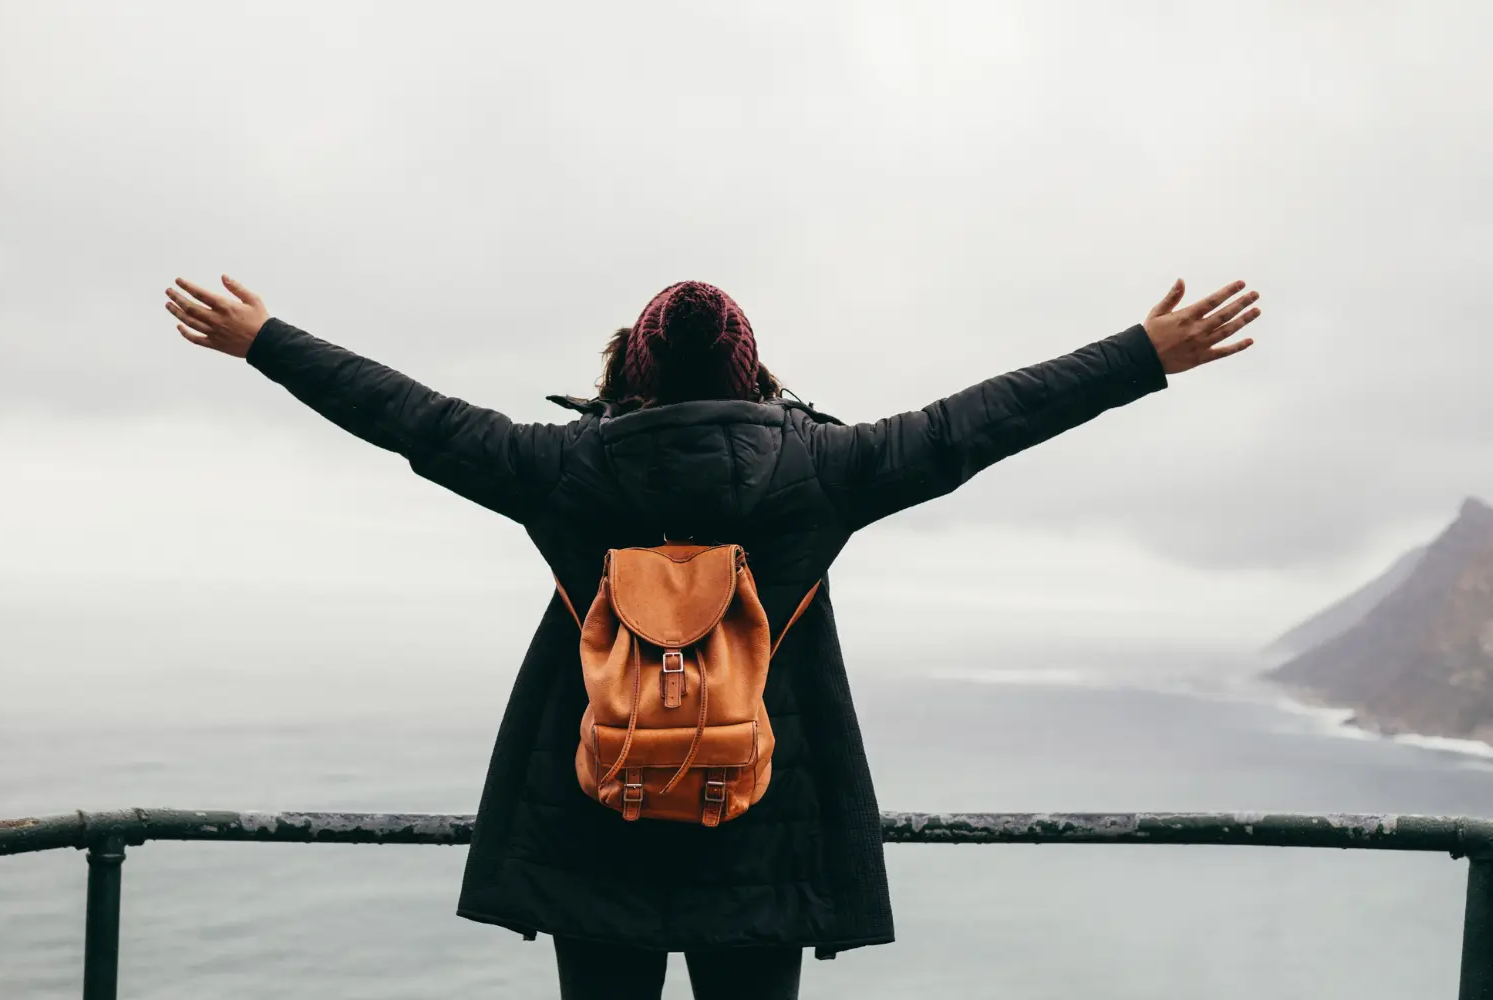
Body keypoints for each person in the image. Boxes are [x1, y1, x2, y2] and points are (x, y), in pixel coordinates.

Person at [164, 274, 1260, 1000]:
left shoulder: (556, 469)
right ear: (755, 373)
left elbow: (405, 414)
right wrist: (1143, 353)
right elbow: (988, 419)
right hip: (763, 821)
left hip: (594, 814)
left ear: (626, 370)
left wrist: (263, 340)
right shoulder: (826, 468)